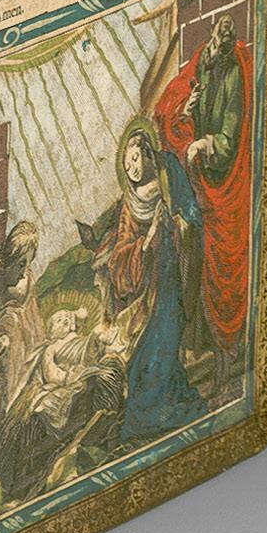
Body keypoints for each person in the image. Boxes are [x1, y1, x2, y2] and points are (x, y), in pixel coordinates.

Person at [90, 118, 206, 442]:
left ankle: (159, 412)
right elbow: (122, 252)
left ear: (148, 153)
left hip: (172, 277)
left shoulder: (169, 172)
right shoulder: (130, 203)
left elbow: (191, 213)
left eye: (135, 159)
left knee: (163, 343)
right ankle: (148, 416)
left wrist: (178, 226)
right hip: (147, 287)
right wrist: (145, 243)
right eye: (126, 163)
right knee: (144, 352)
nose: (131, 168)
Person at [154, 16, 253, 376]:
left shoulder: (233, 76)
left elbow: (228, 139)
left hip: (223, 185)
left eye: (217, 50)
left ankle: (226, 353)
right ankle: (199, 347)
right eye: (210, 46)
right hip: (198, 185)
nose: (211, 53)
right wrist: (187, 109)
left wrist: (203, 144)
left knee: (220, 263)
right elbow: (171, 105)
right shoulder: (203, 61)